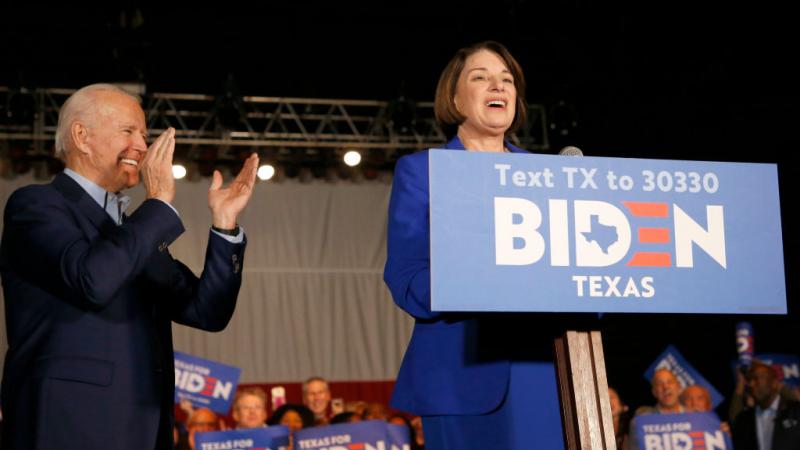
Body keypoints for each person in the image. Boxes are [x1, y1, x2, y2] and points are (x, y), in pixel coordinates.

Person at [0, 83, 259, 449]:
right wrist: (157, 204)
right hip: (69, 426)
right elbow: (93, 279)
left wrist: (225, 224)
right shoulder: (36, 206)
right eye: (128, 131)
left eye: (145, 136)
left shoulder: (131, 230)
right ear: (81, 136)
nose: (142, 146)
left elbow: (206, 312)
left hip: (144, 429)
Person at [384, 41, 569, 450]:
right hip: (459, 374)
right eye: (481, 77)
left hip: (541, 375)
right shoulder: (422, 171)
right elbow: (407, 278)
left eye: (507, 80)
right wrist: (480, 278)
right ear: (454, 98)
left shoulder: (548, 176)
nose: (498, 86)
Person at [732, 361, 800, 450]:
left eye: (756, 379)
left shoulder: (795, 412)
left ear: (774, 383)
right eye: (749, 380)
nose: (751, 384)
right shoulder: (744, 419)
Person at [625, 368, 685, 449]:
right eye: (659, 384)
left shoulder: (695, 418)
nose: (666, 387)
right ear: (654, 392)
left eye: (670, 382)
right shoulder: (641, 422)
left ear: (679, 386)